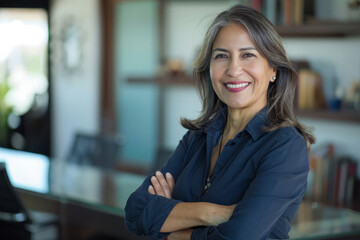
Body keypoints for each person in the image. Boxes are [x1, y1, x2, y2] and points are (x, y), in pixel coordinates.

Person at [125, 4, 315, 240]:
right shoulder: (197, 137)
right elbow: (134, 211)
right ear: (209, 68)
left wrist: (168, 231)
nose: (234, 70)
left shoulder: (285, 146)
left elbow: (238, 236)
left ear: (273, 69)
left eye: (248, 55)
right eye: (222, 56)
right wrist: (214, 213)